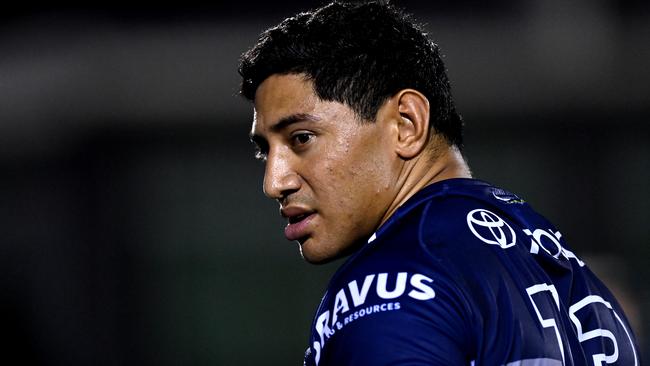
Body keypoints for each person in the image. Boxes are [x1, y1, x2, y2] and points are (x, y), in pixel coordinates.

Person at [238, 1, 640, 365]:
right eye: (265, 151)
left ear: (407, 123)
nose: (275, 182)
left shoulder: (390, 284)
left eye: (301, 139)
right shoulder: (565, 272)